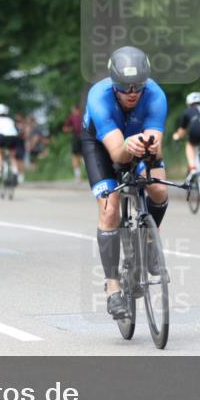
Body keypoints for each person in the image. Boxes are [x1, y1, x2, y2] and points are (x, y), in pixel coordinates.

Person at [82, 46, 169, 320]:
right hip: (102, 146)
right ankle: (112, 287)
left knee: (159, 189)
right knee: (110, 209)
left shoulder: (155, 95)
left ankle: (150, 241)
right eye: (124, 87)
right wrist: (128, 146)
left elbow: (156, 147)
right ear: (113, 83)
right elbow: (118, 155)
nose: (132, 93)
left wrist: (148, 149)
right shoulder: (99, 98)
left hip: (137, 141)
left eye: (138, 86)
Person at [0, 104, 22, 183]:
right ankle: (15, 171)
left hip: (2, 137)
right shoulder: (10, 120)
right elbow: (17, 131)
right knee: (12, 155)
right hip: (13, 137)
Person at [62, 103, 84, 182]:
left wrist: (71, 129)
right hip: (85, 137)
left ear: (74, 109)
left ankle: (78, 177)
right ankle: (91, 174)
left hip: (76, 138)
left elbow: (65, 129)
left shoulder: (72, 117)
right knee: (84, 156)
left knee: (75, 157)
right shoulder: (83, 116)